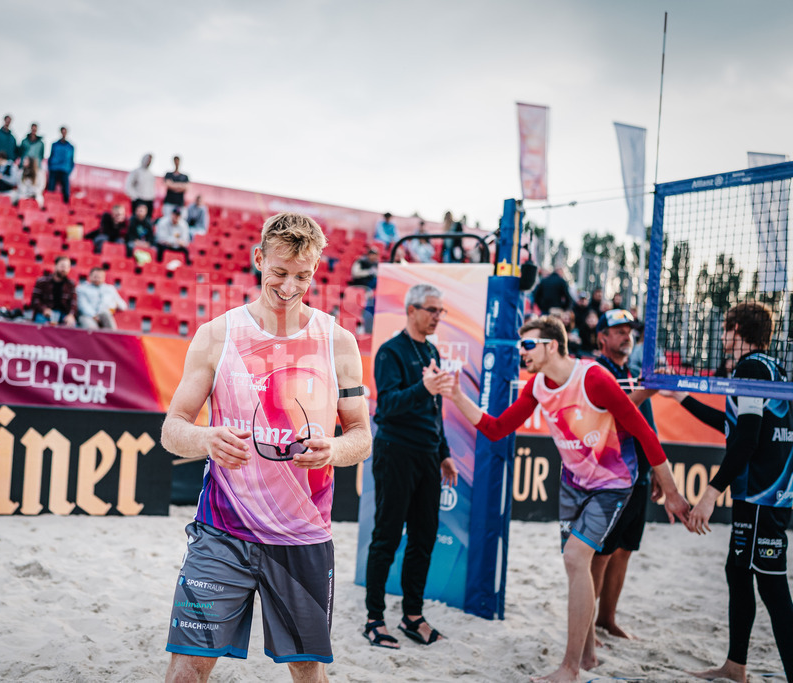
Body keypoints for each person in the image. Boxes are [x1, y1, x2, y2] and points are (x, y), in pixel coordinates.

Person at [160, 212, 371, 681]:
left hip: (303, 536)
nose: (290, 286)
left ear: (315, 271)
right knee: (187, 668)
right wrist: (207, 439)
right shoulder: (219, 334)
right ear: (259, 259)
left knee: (307, 670)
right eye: (279, 272)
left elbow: (361, 438)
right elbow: (172, 428)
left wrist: (333, 451)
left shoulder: (338, 343)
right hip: (222, 532)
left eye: (303, 275)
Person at [443, 315, 691, 683]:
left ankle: (569, 669)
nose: (522, 353)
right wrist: (455, 394)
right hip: (573, 483)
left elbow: (644, 433)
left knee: (576, 558)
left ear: (552, 345)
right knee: (578, 566)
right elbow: (496, 429)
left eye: (528, 345)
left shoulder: (592, 378)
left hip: (612, 483)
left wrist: (672, 492)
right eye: (520, 346)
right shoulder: (539, 386)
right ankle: (588, 655)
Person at [659, 301, 793, 683]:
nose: (721, 336)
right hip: (766, 492)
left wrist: (710, 492)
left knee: (771, 584)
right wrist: (679, 397)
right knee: (737, 571)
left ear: (737, 330)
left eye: (725, 328)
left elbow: (747, 441)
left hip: (761, 495)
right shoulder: (771, 367)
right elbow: (732, 425)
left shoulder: (750, 367)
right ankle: (735, 667)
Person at [363, 284, 459, 650]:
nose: (438, 316)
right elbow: (386, 407)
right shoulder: (391, 351)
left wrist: (444, 452)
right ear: (412, 310)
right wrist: (424, 388)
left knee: (423, 537)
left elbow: (435, 411)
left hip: (426, 456)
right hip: (395, 452)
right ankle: (374, 619)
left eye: (441, 310)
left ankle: (412, 616)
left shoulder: (431, 350)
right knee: (386, 537)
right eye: (432, 310)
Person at [589, 309, 658, 641]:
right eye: (618, 330)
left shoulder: (631, 373)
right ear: (602, 337)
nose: (626, 335)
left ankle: (607, 619)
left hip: (640, 476)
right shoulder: (596, 372)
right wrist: (646, 390)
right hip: (612, 477)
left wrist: (658, 469)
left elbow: (646, 424)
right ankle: (585, 624)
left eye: (629, 330)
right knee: (600, 555)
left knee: (625, 549)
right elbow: (610, 418)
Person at [30, 256, 77, 325]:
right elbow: (35, 300)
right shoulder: (42, 281)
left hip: (63, 314)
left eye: (67, 267)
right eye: (62, 266)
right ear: (55, 266)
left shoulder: (71, 284)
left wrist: (71, 315)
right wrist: (44, 310)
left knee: (72, 326)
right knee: (43, 326)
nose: (64, 269)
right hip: (45, 313)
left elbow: (73, 302)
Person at [47, 126, 74, 203]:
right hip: (54, 169)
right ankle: (49, 203)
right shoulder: (55, 145)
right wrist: (51, 167)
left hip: (64, 170)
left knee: (66, 191)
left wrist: (68, 170)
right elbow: (51, 156)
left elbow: (72, 160)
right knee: (51, 189)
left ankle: (65, 206)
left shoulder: (70, 147)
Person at [125, 153, 155, 217]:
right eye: (148, 159)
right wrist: (135, 196)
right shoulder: (136, 171)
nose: (149, 162)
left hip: (149, 200)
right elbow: (128, 185)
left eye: (150, 160)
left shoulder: (151, 174)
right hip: (139, 199)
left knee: (147, 220)